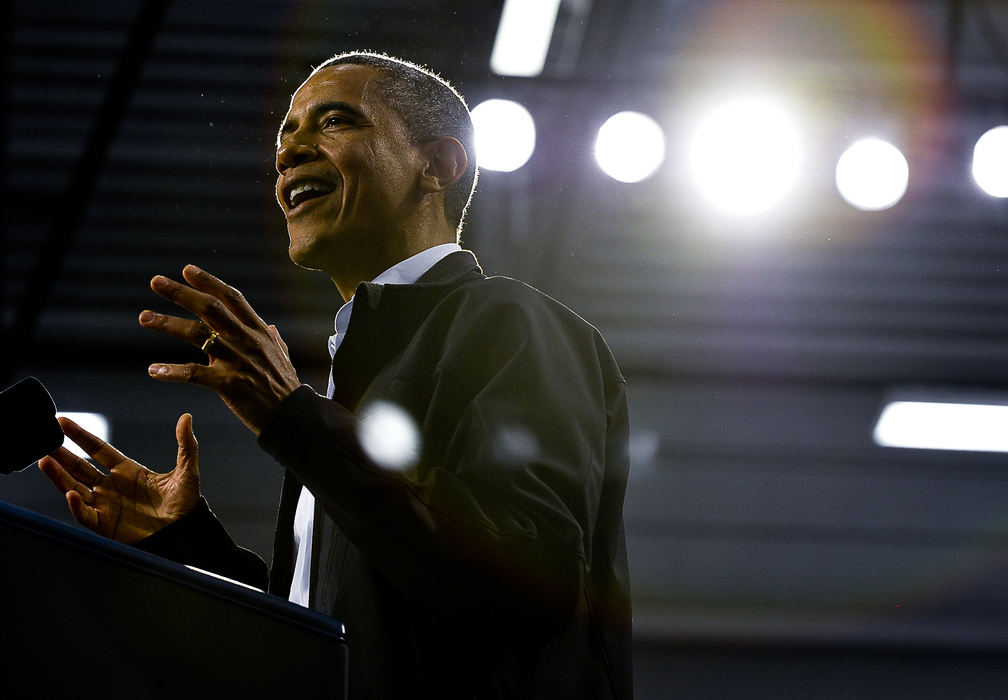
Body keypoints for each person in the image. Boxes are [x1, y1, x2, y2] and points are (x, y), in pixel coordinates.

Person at [38, 51, 632, 699]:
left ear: (436, 165)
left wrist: (294, 419)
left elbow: (529, 591)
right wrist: (186, 545)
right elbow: (322, 636)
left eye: (335, 122)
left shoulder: (513, 324)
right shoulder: (341, 387)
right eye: (285, 134)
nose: (289, 152)